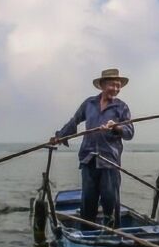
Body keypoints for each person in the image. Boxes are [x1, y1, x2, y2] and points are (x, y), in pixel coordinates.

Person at [49, 68, 134, 227]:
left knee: (110, 200)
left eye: (118, 86)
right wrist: (59, 136)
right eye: (112, 85)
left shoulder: (121, 107)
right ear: (102, 85)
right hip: (88, 158)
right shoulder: (89, 103)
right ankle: (87, 231)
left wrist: (116, 127)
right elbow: (74, 122)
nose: (116, 89)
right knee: (88, 200)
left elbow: (129, 132)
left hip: (109, 161)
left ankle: (112, 232)